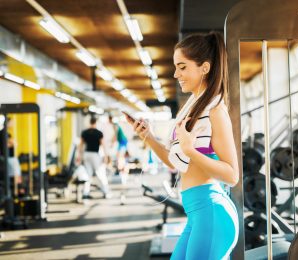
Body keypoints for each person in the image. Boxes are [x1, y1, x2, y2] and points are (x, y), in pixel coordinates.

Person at [124, 31, 239, 259]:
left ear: (204, 68)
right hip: (196, 214)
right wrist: (148, 137)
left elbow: (232, 175)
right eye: (176, 67)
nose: (176, 74)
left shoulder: (215, 110)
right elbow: (174, 161)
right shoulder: (193, 107)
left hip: (211, 214)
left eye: (182, 67)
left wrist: (190, 150)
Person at [76, 117, 111, 199]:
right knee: (100, 173)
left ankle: (85, 193)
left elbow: (80, 145)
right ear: (96, 123)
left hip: (86, 154)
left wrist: (79, 156)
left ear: (90, 122)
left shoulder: (84, 132)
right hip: (95, 155)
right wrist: (106, 156)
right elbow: (103, 145)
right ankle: (106, 192)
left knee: (87, 174)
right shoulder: (99, 133)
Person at [0, 117, 22, 194]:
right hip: (8, 157)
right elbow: (11, 144)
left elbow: (12, 143)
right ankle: (18, 190)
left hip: (8, 157)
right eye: (12, 122)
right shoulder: (4, 132)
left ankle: (16, 190)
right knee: (16, 173)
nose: (13, 124)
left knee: (14, 173)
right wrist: (12, 143)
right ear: (7, 123)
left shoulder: (4, 132)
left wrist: (12, 143)